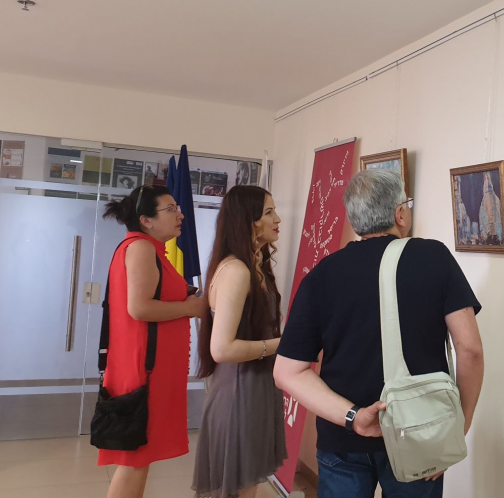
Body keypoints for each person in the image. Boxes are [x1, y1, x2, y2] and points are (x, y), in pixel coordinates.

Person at [274, 169, 485, 498]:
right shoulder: (433, 258)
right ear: (400, 214)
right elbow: (469, 349)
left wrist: (354, 417)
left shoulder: (322, 275)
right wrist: (458, 425)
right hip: (420, 431)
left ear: (354, 219)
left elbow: (287, 372)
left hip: (343, 437)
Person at [98, 186, 207, 498]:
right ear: (146, 220)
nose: (180, 214)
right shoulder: (141, 248)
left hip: (151, 367)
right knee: (135, 458)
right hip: (143, 370)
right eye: (170, 209)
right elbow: (140, 308)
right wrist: (190, 308)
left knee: (140, 456)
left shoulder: (150, 248)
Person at [193, 186, 287, 498]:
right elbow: (221, 349)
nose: (278, 220)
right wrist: (281, 344)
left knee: (247, 486)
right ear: (248, 221)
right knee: (238, 487)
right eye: (269, 213)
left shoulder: (255, 265)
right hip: (239, 390)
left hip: (254, 385)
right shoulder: (236, 270)